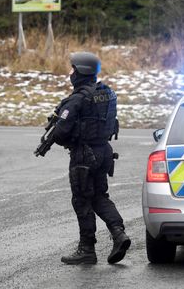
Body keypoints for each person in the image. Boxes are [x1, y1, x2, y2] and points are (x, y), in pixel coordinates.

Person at [49, 51, 130, 265]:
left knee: (82, 200)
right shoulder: (107, 93)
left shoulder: (77, 99)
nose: (70, 73)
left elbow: (60, 133)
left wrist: (61, 135)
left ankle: (87, 249)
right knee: (100, 196)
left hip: (84, 156)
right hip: (104, 151)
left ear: (81, 72)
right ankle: (119, 233)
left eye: (73, 69)